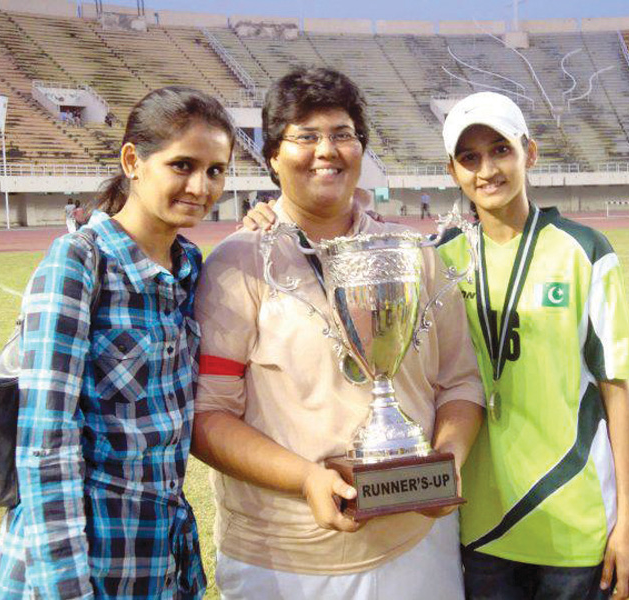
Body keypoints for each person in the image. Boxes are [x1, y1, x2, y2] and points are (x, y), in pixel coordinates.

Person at [190, 67, 484, 600]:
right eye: (305, 136)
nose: (326, 150)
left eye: (342, 134)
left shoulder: (413, 254)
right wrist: (306, 478)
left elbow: (460, 383)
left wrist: (445, 465)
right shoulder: (238, 265)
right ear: (273, 156)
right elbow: (207, 415)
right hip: (285, 561)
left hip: (418, 544)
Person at [0, 86, 235, 599]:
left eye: (216, 170)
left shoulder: (190, 270)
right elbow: (44, 446)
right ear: (133, 161)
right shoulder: (78, 262)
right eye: (183, 165)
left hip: (159, 559)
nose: (201, 186)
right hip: (84, 564)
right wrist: (67, 588)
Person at [437, 92, 629, 600]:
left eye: (500, 150)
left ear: (529, 153)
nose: (486, 169)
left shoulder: (585, 251)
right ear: (453, 171)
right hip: (481, 525)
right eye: (470, 158)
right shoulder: (443, 260)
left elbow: (615, 388)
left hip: (574, 521)